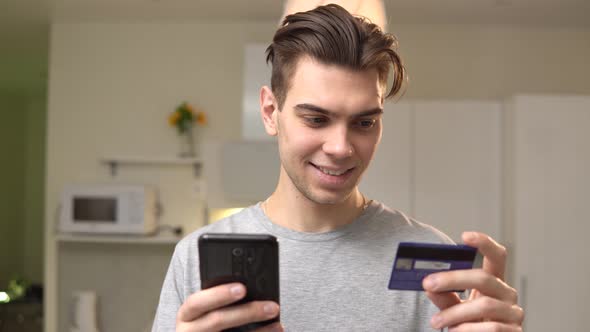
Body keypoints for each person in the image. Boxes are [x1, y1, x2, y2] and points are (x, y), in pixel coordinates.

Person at [152, 4, 524, 332]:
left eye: (364, 123)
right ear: (270, 112)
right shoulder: (194, 258)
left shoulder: (431, 258)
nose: (341, 148)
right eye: (316, 119)